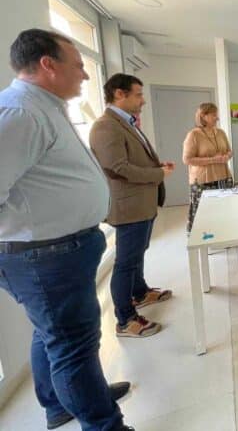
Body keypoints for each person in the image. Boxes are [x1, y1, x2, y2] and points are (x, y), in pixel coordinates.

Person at [0, 29, 133, 430]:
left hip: (56, 252)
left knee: (52, 336)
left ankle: (60, 403)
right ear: (47, 64)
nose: (85, 75)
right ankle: (103, 424)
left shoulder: (43, 107)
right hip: (43, 256)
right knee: (73, 347)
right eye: (78, 66)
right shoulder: (20, 113)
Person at [90, 74, 174, 338]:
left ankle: (140, 293)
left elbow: (134, 160)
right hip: (129, 207)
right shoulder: (106, 126)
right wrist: (157, 175)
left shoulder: (125, 123)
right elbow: (118, 168)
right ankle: (125, 319)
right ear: (119, 94)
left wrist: (157, 168)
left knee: (137, 254)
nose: (143, 100)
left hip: (142, 203)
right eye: (138, 94)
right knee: (126, 262)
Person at [182, 102, 234, 233]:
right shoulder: (193, 135)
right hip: (203, 181)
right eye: (214, 115)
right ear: (203, 116)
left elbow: (229, 151)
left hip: (224, 177)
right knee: (202, 214)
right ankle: (201, 239)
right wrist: (213, 160)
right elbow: (187, 159)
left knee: (224, 210)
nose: (217, 118)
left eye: (217, 115)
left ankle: (223, 235)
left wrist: (227, 156)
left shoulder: (221, 133)